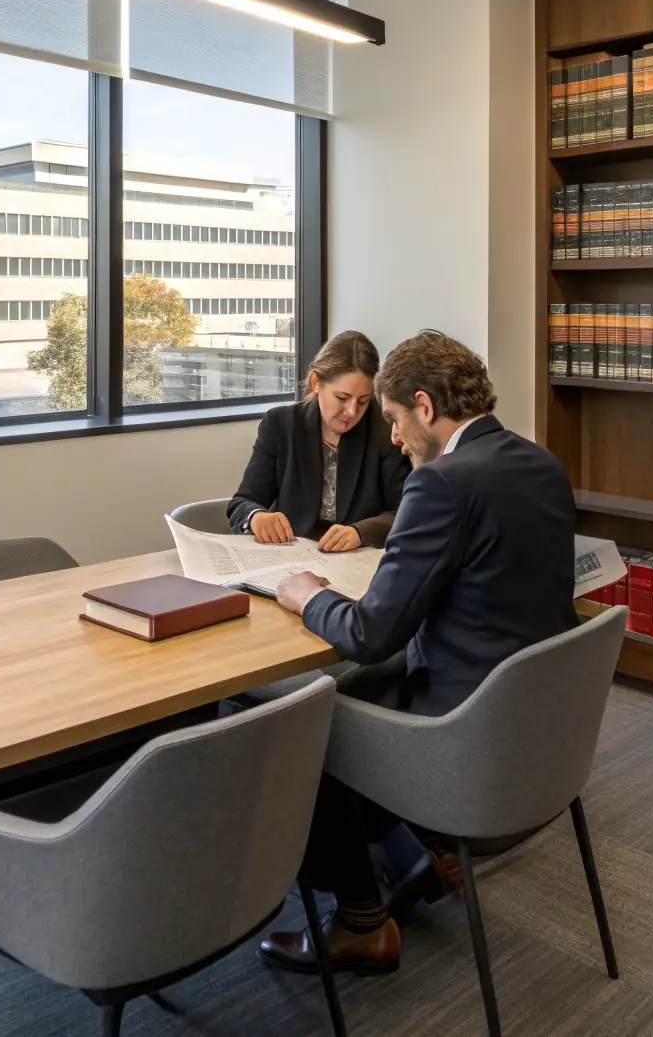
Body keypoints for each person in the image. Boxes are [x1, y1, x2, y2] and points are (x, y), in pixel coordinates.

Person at [258, 330, 578, 976]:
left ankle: (361, 921)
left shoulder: (441, 485)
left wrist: (305, 595)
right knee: (359, 684)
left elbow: (371, 630)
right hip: (538, 731)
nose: (396, 440)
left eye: (398, 422)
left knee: (309, 711)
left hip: (462, 737)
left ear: (425, 406)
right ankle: (414, 855)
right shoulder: (542, 463)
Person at [227, 330, 409, 551]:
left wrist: (360, 532)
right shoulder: (280, 425)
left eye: (363, 401)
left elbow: (403, 512)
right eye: (342, 398)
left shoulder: (386, 432)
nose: (351, 412)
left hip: (356, 560)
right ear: (316, 382)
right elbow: (242, 503)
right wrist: (256, 516)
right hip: (289, 556)